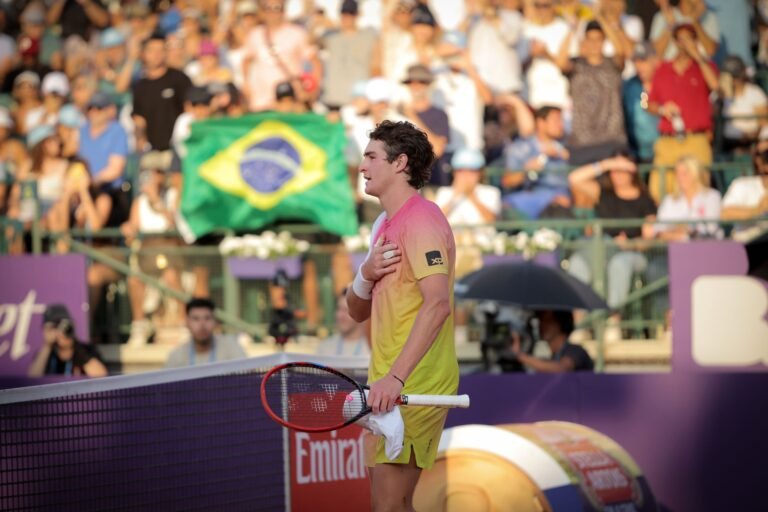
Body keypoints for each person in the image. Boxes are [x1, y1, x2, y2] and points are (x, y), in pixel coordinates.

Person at [346, 120, 458, 511]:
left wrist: (396, 377)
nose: (362, 167)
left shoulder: (423, 219)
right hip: (386, 386)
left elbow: (438, 303)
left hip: (414, 385)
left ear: (400, 163)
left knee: (389, 507)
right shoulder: (382, 226)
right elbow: (355, 310)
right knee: (394, 506)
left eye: (371, 157)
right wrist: (366, 273)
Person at [646, 22, 719, 204]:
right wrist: (663, 109)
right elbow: (648, 102)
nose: (684, 43)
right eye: (680, 39)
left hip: (696, 138)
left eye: (688, 39)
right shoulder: (663, 69)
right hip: (668, 139)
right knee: (659, 191)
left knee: (699, 190)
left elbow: (716, 86)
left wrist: (698, 56)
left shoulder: (704, 67)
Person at [28, 304, 108, 377]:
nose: (60, 329)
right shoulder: (47, 354)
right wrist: (47, 345)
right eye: (55, 326)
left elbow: (101, 376)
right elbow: (32, 379)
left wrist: (72, 345)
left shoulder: (87, 350)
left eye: (63, 324)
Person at [165, 298, 248, 368]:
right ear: (187, 323)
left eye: (207, 318)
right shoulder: (176, 357)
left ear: (215, 321)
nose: (202, 324)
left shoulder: (231, 347)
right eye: (196, 319)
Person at [510, 310, 594, 372]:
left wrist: (520, 356)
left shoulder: (575, 351)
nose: (541, 325)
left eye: (546, 320)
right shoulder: (552, 358)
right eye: (540, 320)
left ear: (560, 322)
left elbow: (562, 368)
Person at [315, 288, 370, 358]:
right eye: (339, 309)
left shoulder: (370, 349)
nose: (341, 315)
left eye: (346, 310)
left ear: (359, 314)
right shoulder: (325, 348)